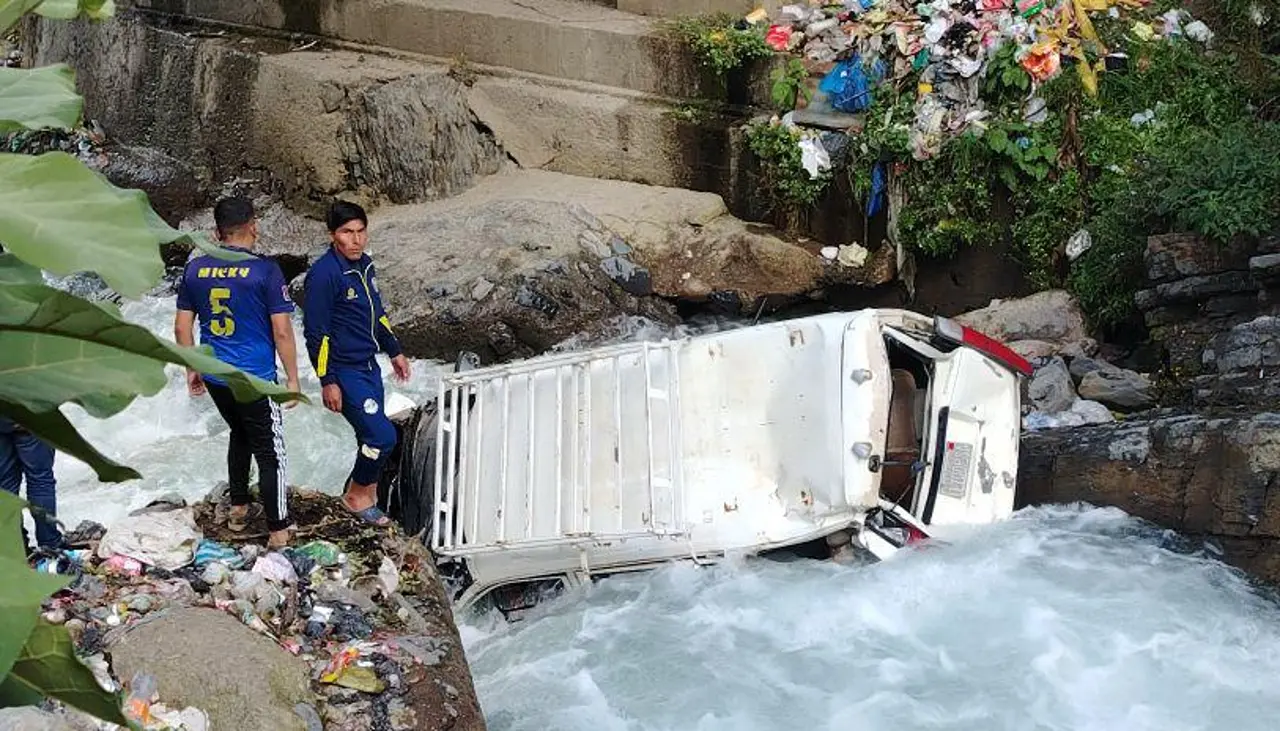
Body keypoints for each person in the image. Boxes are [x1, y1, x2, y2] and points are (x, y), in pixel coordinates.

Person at [175, 196, 301, 549]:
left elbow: (183, 328)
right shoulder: (265, 270)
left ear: (216, 233)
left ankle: (240, 507)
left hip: (216, 374)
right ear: (254, 226)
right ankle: (279, 528)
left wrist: (192, 368)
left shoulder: (195, 270)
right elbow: (282, 331)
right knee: (270, 451)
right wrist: (291, 380)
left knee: (239, 433)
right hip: (255, 378)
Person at [302, 200, 411, 526]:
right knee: (382, 437)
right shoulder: (324, 275)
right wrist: (327, 380)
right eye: (347, 232)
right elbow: (315, 334)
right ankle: (356, 498)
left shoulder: (364, 265)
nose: (356, 240)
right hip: (344, 369)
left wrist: (394, 350)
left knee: (369, 436)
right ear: (332, 234)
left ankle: (367, 494)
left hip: (368, 365)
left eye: (361, 231)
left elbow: (378, 313)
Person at [0, 416, 62, 553]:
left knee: (5, 488)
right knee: (40, 481)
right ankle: (50, 544)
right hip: (29, 411)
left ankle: (16, 547)